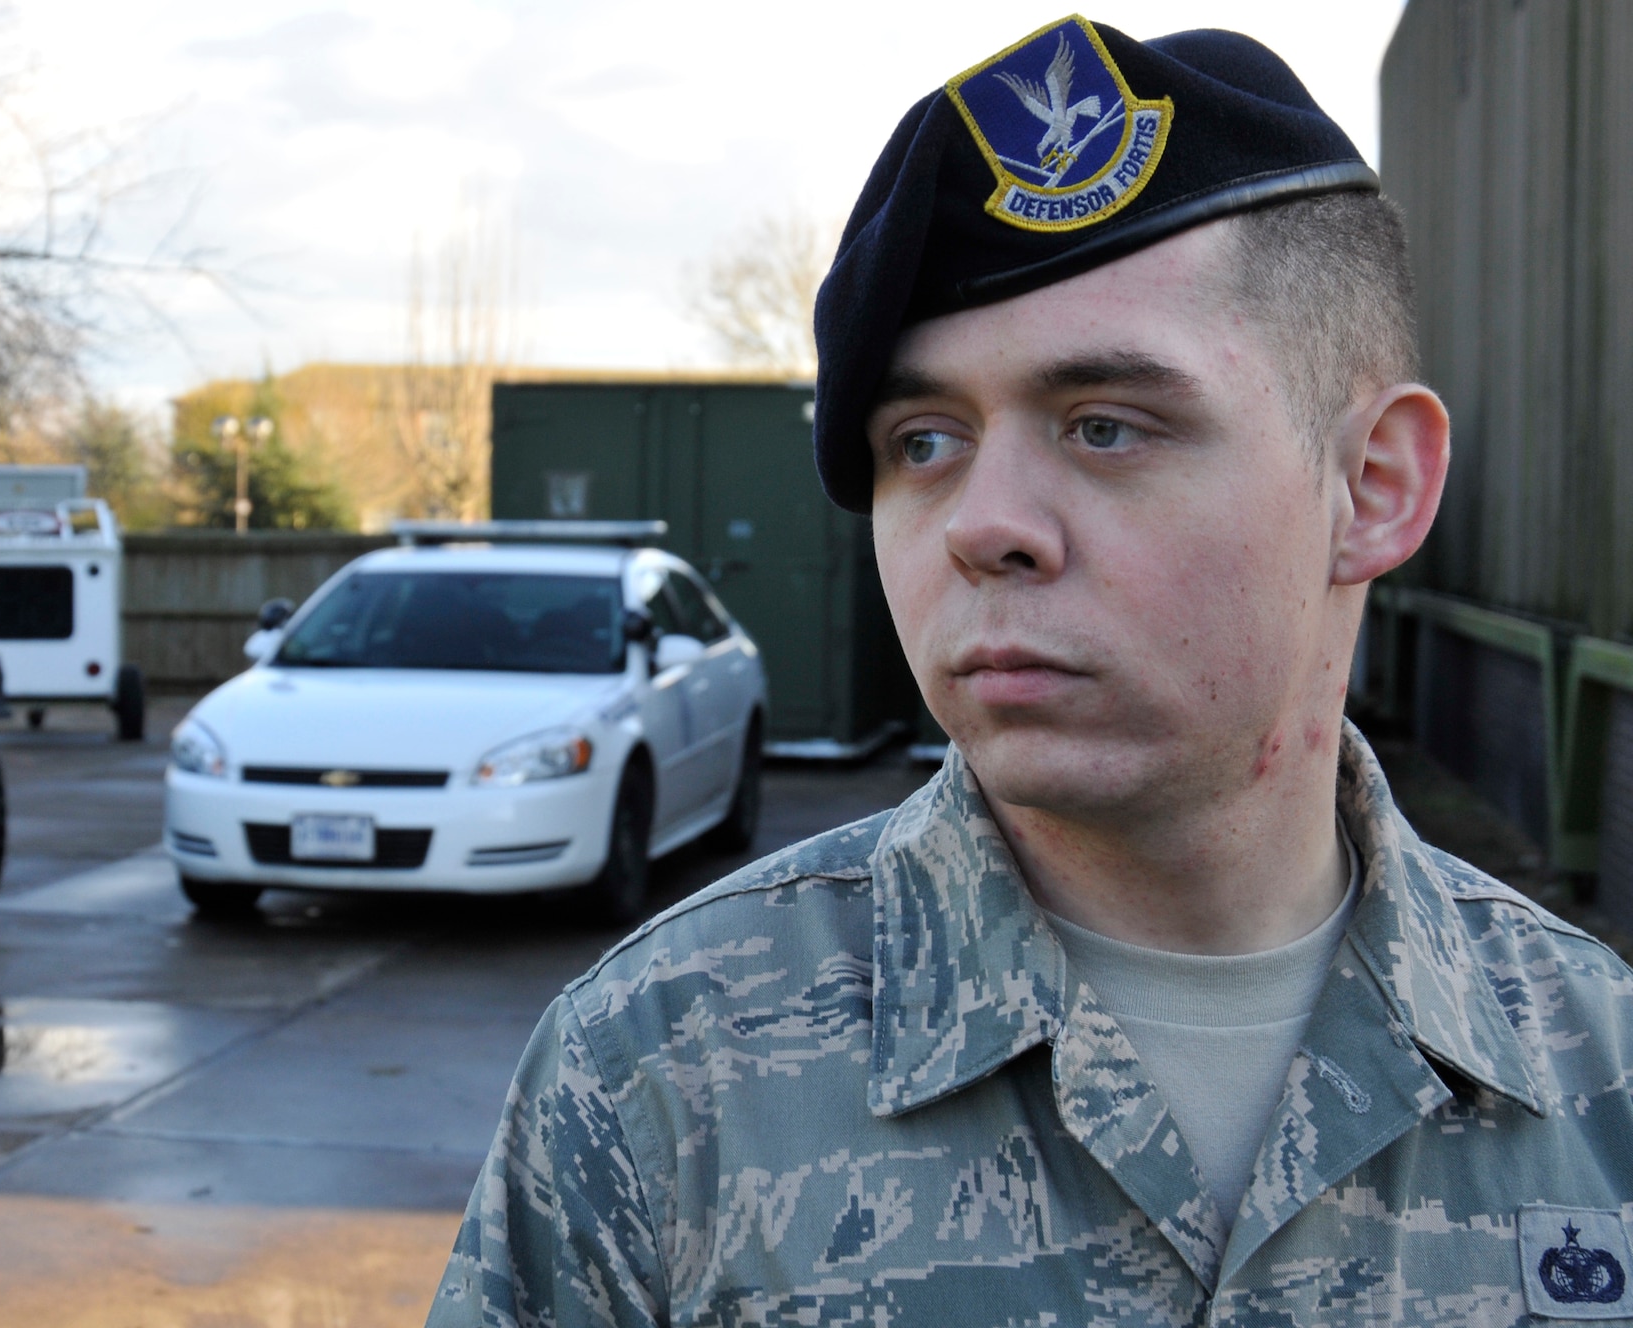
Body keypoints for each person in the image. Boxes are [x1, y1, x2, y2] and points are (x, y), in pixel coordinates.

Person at [428, 16, 1633, 1326]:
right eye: (926, 441)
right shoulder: (660, 1064)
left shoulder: (1602, 1073)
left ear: (1374, 488)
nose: (980, 523)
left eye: (1107, 425)